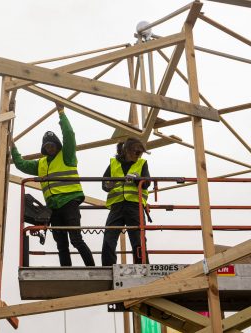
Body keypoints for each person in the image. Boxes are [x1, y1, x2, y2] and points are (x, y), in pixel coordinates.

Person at [11, 103, 95, 267]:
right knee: (61, 244)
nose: (50, 148)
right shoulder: (41, 164)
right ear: (43, 148)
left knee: (76, 240)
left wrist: (61, 112)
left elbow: (69, 134)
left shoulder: (67, 155)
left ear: (57, 145)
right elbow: (21, 164)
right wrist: (12, 147)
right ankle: (67, 271)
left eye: (52, 145)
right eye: (46, 146)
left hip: (69, 202)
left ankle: (93, 269)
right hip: (54, 208)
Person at [101, 137, 150, 266]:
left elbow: (146, 184)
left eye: (140, 153)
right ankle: (108, 267)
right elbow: (104, 184)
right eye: (136, 152)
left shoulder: (142, 163)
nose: (139, 155)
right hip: (117, 206)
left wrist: (137, 179)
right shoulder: (113, 163)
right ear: (127, 151)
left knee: (138, 241)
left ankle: (143, 267)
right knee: (108, 239)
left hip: (134, 206)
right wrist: (108, 185)